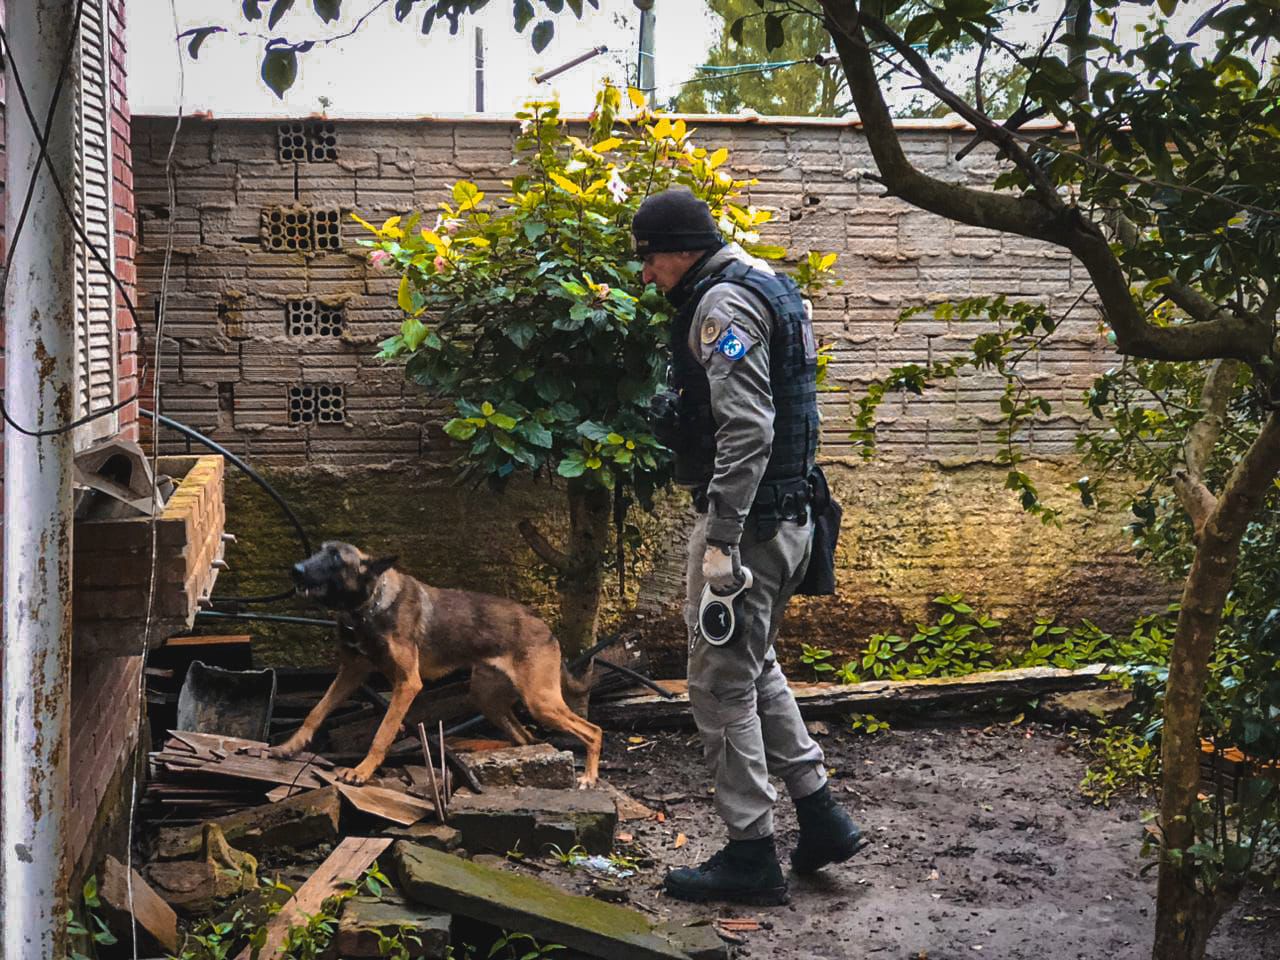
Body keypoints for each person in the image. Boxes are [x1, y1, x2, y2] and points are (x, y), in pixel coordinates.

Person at [633, 187, 863, 905]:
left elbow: (749, 431)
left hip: (750, 528)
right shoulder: (773, 286)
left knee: (718, 683)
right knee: (754, 663)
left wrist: (721, 541)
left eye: (649, 261)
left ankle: (750, 852)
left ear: (679, 252)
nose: (647, 276)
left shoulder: (721, 306)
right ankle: (820, 814)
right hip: (791, 516)